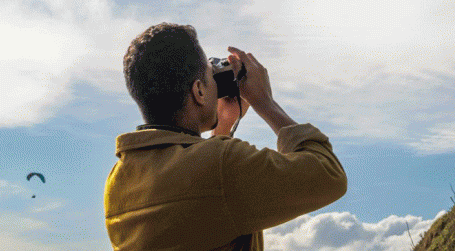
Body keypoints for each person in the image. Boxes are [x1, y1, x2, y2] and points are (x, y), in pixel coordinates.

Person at [105, 22, 347, 251]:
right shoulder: (222, 165)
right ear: (199, 90)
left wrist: (222, 127)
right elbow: (328, 175)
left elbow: (201, 217)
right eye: (211, 76)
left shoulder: (119, 180)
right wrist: (266, 103)